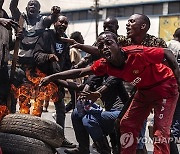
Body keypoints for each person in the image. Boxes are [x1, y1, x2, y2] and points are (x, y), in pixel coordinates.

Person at [39, 31, 180, 154]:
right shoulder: (104, 64)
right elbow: (81, 71)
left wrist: (178, 80)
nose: (105, 47)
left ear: (118, 45)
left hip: (165, 87)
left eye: (108, 43)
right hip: (144, 91)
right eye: (101, 46)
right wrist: (53, 76)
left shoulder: (137, 52)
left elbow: (167, 52)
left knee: (160, 132)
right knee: (127, 124)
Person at [9, 0, 60, 115]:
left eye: (35, 5)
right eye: (30, 5)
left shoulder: (41, 21)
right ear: (26, 9)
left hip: (36, 66)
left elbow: (51, 18)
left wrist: (55, 13)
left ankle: (36, 120)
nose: (32, 6)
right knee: (22, 95)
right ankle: (22, 118)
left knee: (38, 97)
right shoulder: (20, 19)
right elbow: (13, 7)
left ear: (39, 11)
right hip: (20, 64)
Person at [33, 15, 76, 148]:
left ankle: (61, 138)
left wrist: (71, 70)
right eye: (60, 22)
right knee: (37, 108)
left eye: (66, 23)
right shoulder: (46, 35)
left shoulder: (65, 41)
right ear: (55, 23)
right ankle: (34, 138)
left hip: (57, 79)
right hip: (43, 78)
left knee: (61, 110)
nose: (63, 24)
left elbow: (66, 62)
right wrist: (48, 57)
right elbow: (36, 55)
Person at [167, 28, 180, 154]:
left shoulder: (167, 44)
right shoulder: (179, 47)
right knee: (177, 111)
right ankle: (174, 135)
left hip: (166, 82)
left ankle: (169, 132)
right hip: (177, 82)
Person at [65, 31, 84, 113]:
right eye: (81, 37)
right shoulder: (73, 50)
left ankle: (65, 111)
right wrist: (74, 78)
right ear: (77, 39)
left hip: (78, 78)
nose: (83, 39)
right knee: (75, 98)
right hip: (73, 79)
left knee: (75, 99)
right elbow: (72, 65)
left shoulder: (77, 50)